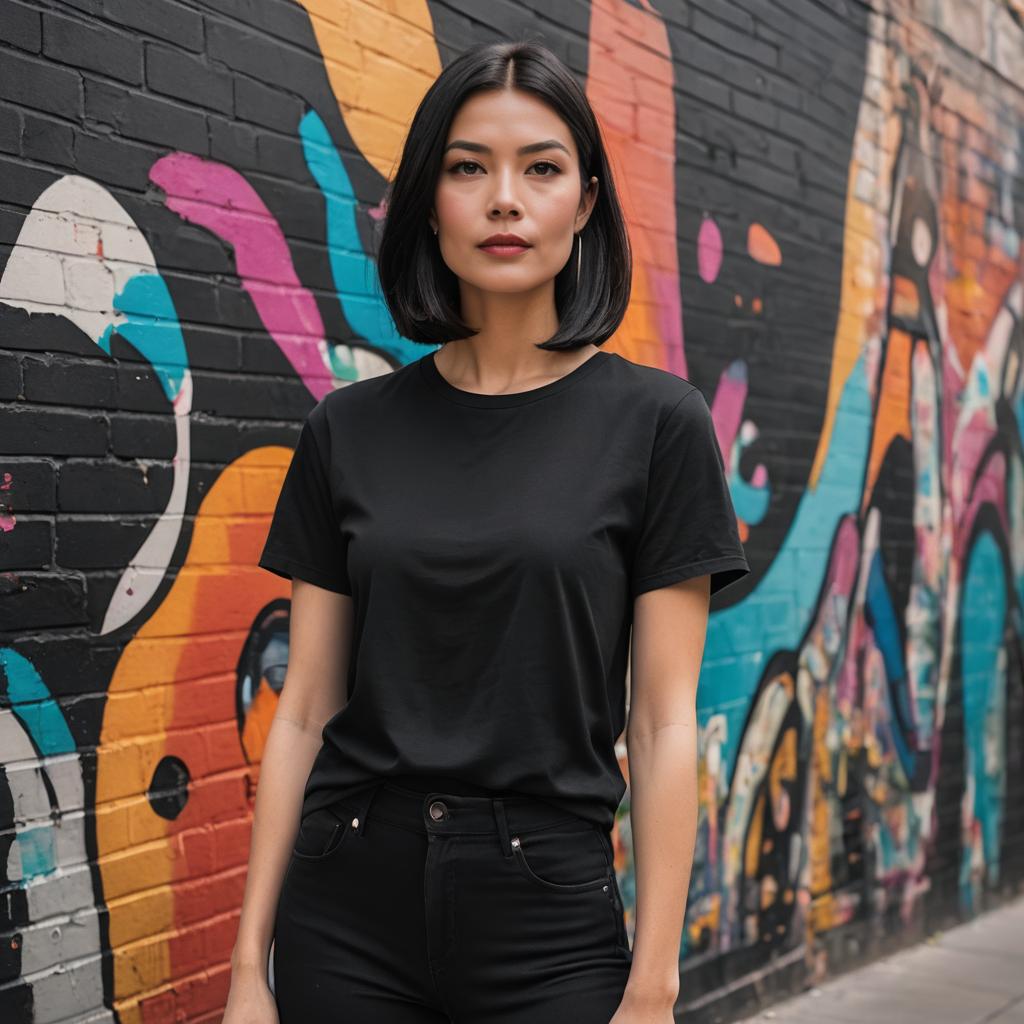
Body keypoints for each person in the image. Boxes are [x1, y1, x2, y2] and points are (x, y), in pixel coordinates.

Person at [224, 38, 750, 1024]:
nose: (504, 199)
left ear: (585, 201)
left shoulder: (657, 426)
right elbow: (302, 711)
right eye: (469, 168)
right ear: (429, 198)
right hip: (347, 904)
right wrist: (250, 962)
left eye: (541, 168)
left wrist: (654, 981)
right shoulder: (348, 428)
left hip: (547, 914)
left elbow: (664, 720)